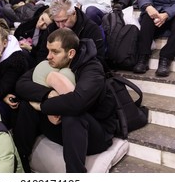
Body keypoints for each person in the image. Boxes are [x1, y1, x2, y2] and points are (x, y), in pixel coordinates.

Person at [13, 28, 117, 173]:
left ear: (71, 53)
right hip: (61, 127)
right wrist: (48, 94)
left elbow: (78, 103)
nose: (49, 56)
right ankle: (21, 164)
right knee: (25, 105)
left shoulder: (92, 68)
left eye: (55, 52)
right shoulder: (53, 62)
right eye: (48, 51)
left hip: (95, 133)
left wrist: (43, 106)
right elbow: (21, 84)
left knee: (72, 116)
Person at [37, 0, 106, 62]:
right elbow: (42, 54)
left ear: (73, 13)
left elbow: (98, 59)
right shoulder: (51, 28)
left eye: (64, 21)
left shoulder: (91, 29)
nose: (61, 26)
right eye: (57, 22)